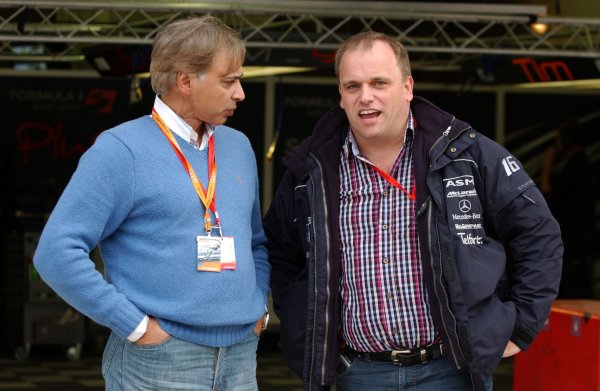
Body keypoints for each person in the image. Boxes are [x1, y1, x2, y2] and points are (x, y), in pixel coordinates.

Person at [263, 31, 562, 391]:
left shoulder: (466, 155)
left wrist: (522, 326)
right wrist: (302, 325)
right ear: (340, 96)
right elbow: (280, 253)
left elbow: (538, 234)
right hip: (359, 374)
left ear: (407, 86)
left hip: (451, 371)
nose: (366, 96)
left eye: (379, 83)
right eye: (352, 86)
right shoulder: (310, 171)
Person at [33, 16, 270, 390]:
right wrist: (135, 326)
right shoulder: (120, 150)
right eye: (229, 81)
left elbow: (255, 241)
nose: (240, 93)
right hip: (160, 360)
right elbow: (55, 254)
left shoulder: (237, 146)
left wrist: (259, 310)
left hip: (241, 355)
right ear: (186, 80)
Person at [541, 121, 594, 298]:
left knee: (573, 282)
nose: (556, 144)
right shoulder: (575, 164)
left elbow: (547, 194)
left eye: (559, 139)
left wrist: (547, 165)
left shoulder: (577, 167)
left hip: (573, 235)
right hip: (572, 234)